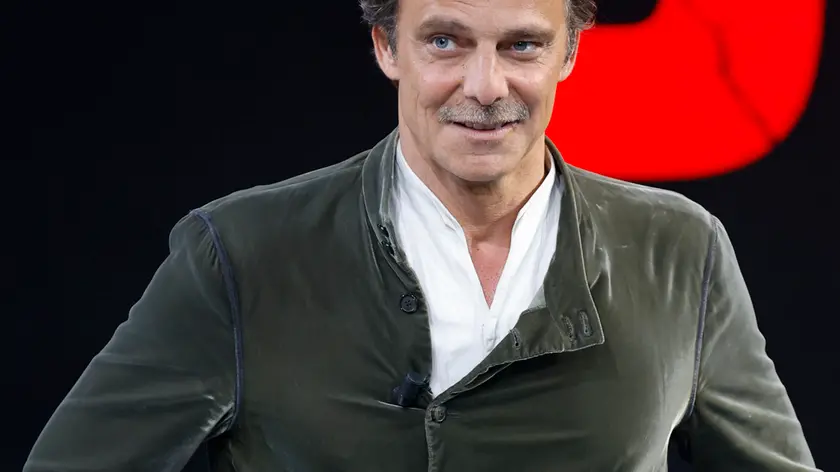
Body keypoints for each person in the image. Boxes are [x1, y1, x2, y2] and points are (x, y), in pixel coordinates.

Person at [25, 0, 818, 470]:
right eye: (445, 41)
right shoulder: (240, 254)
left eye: (522, 45)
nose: (485, 86)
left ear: (571, 52)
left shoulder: (679, 250)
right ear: (385, 46)